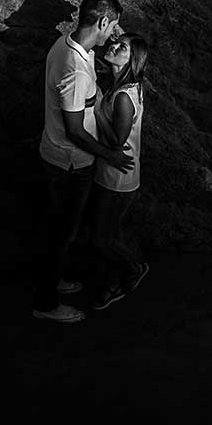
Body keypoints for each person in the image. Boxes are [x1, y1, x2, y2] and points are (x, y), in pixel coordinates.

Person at [32, 0, 134, 323]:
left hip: (57, 154)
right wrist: (110, 155)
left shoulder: (68, 44)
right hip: (69, 163)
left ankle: (56, 278)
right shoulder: (75, 68)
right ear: (103, 21)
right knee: (62, 234)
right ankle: (46, 304)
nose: (115, 34)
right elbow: (75, 130)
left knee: (57, 230)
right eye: (114, 26)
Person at [89, 33, 150, 310]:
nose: (113, 46)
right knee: (109, 234)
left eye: (121, 47)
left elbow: (116, 140)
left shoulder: (124, 96)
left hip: (118, 178)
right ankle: (110, 283)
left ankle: (133, 268)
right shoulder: (121, 85)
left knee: (103, 239)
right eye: (115, 40)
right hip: (113, 173)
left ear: (131, 59)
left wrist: (97, 107)